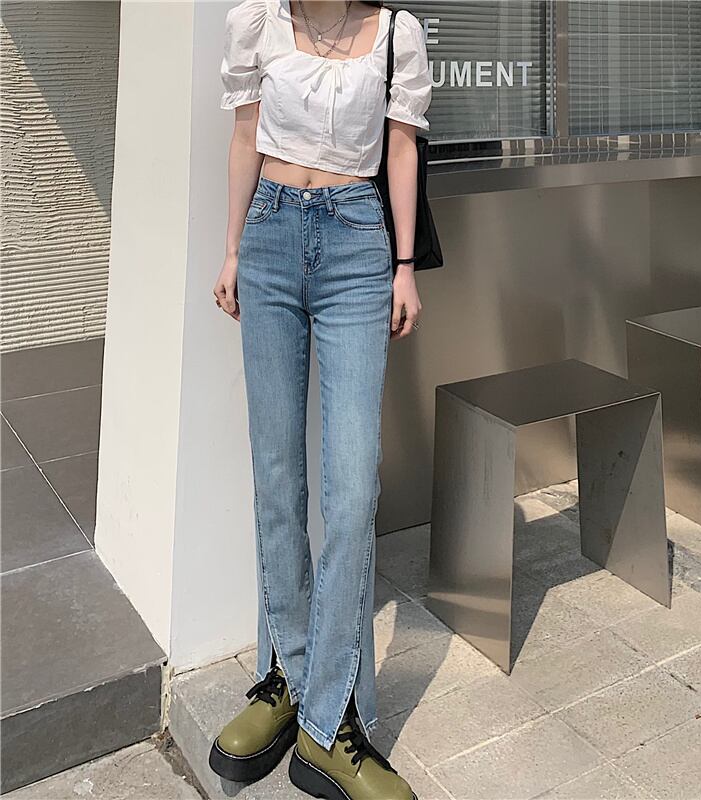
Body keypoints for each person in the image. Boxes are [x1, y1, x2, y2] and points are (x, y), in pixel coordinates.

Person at [209, 1, 432, 798]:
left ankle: (330, 719)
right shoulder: (257, 23)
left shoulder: (397, 32)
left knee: (351, 489)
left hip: (356, 244)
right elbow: (245, 135)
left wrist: (404, 267)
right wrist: (233, 250)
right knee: (277, 476)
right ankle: (291, 678)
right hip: (270, 235)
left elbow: (400, 147)